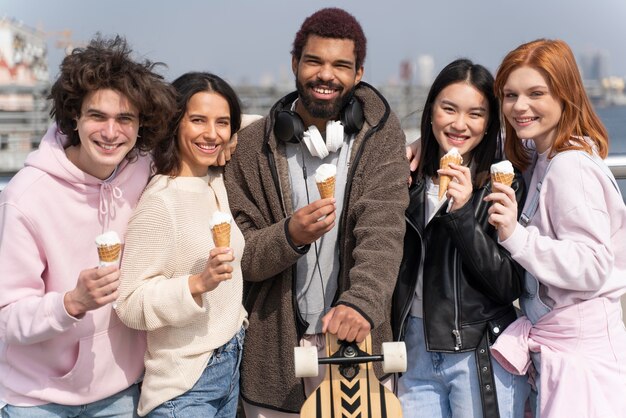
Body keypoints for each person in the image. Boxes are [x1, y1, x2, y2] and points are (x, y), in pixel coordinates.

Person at [223, 7, 410, 416]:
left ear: (358, 73)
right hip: (274, 355)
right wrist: (289, 236)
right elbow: (243, 256)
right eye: (314, 61)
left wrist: (361, 303)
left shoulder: (381, 136)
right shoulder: (251, 146)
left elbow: (383, 229)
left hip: (358, 346)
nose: (326, 74)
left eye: (341, 65)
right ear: (294, 63)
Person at [0, 36, 176, 417]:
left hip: (122, 393)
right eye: (97, 116)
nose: (111, 133)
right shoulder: (24, 198)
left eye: (124, 119)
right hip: (36, 398)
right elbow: (5, 318)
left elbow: (203, 133)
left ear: (140, 125)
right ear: (74, 117)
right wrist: (71, 303)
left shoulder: (146, 168)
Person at [487, 39, 626, 417]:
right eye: (510, 95)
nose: (520, 106)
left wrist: (515, 236)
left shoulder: (570, 167)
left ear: (565, 95)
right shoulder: (543, 154)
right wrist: (426, 142)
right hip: (566, 346)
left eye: (536, 93)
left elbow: (593, 264)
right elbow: (495, 141)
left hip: (582, 359)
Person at [392, 59, 530, 418]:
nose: (459, 124)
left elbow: (507, 285)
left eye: (475, 114)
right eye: (448, 109)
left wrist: (464, 212)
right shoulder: (408, 177)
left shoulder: (503, 184)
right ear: (431, 111)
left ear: (489, 124)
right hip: (414, 351)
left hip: (480, 352)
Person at [115, 72, 249, 418]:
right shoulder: (160, 202)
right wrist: (196, 285)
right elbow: (129, 303)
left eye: (222, 122)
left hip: (229, 366)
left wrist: (227, 137)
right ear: (175, 123)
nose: (211, 132)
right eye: (198, 120)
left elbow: (258, 124)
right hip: (184, 386)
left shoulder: (214, 181)